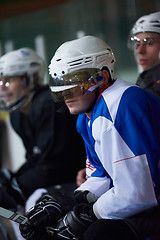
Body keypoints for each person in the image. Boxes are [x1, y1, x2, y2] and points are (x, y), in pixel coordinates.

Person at [19, 36, 160, 240]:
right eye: (61, 83)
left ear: (102, 77)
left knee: (99, 234)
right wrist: (68, 203)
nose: (66, 93)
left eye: (74, 82)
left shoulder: (122, 104)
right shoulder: (86, 118)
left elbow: (138, 193)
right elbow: (101, 174)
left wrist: (86, 215)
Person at [0, 47, 86, 209]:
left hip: (76, 178)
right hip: (59, 177)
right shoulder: (18, 114)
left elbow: (55, 166)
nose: (2, 89)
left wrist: (17, 186)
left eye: (8, 81)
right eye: (0, 82)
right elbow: (36, 157)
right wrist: (14, 179)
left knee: (34, 204)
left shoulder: (48, 104)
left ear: (31, 79)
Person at [128, 11, 160, 98]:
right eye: (137, 44)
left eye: (149, 43)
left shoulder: (154, 87)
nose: (140, 51)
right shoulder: (146, 80)